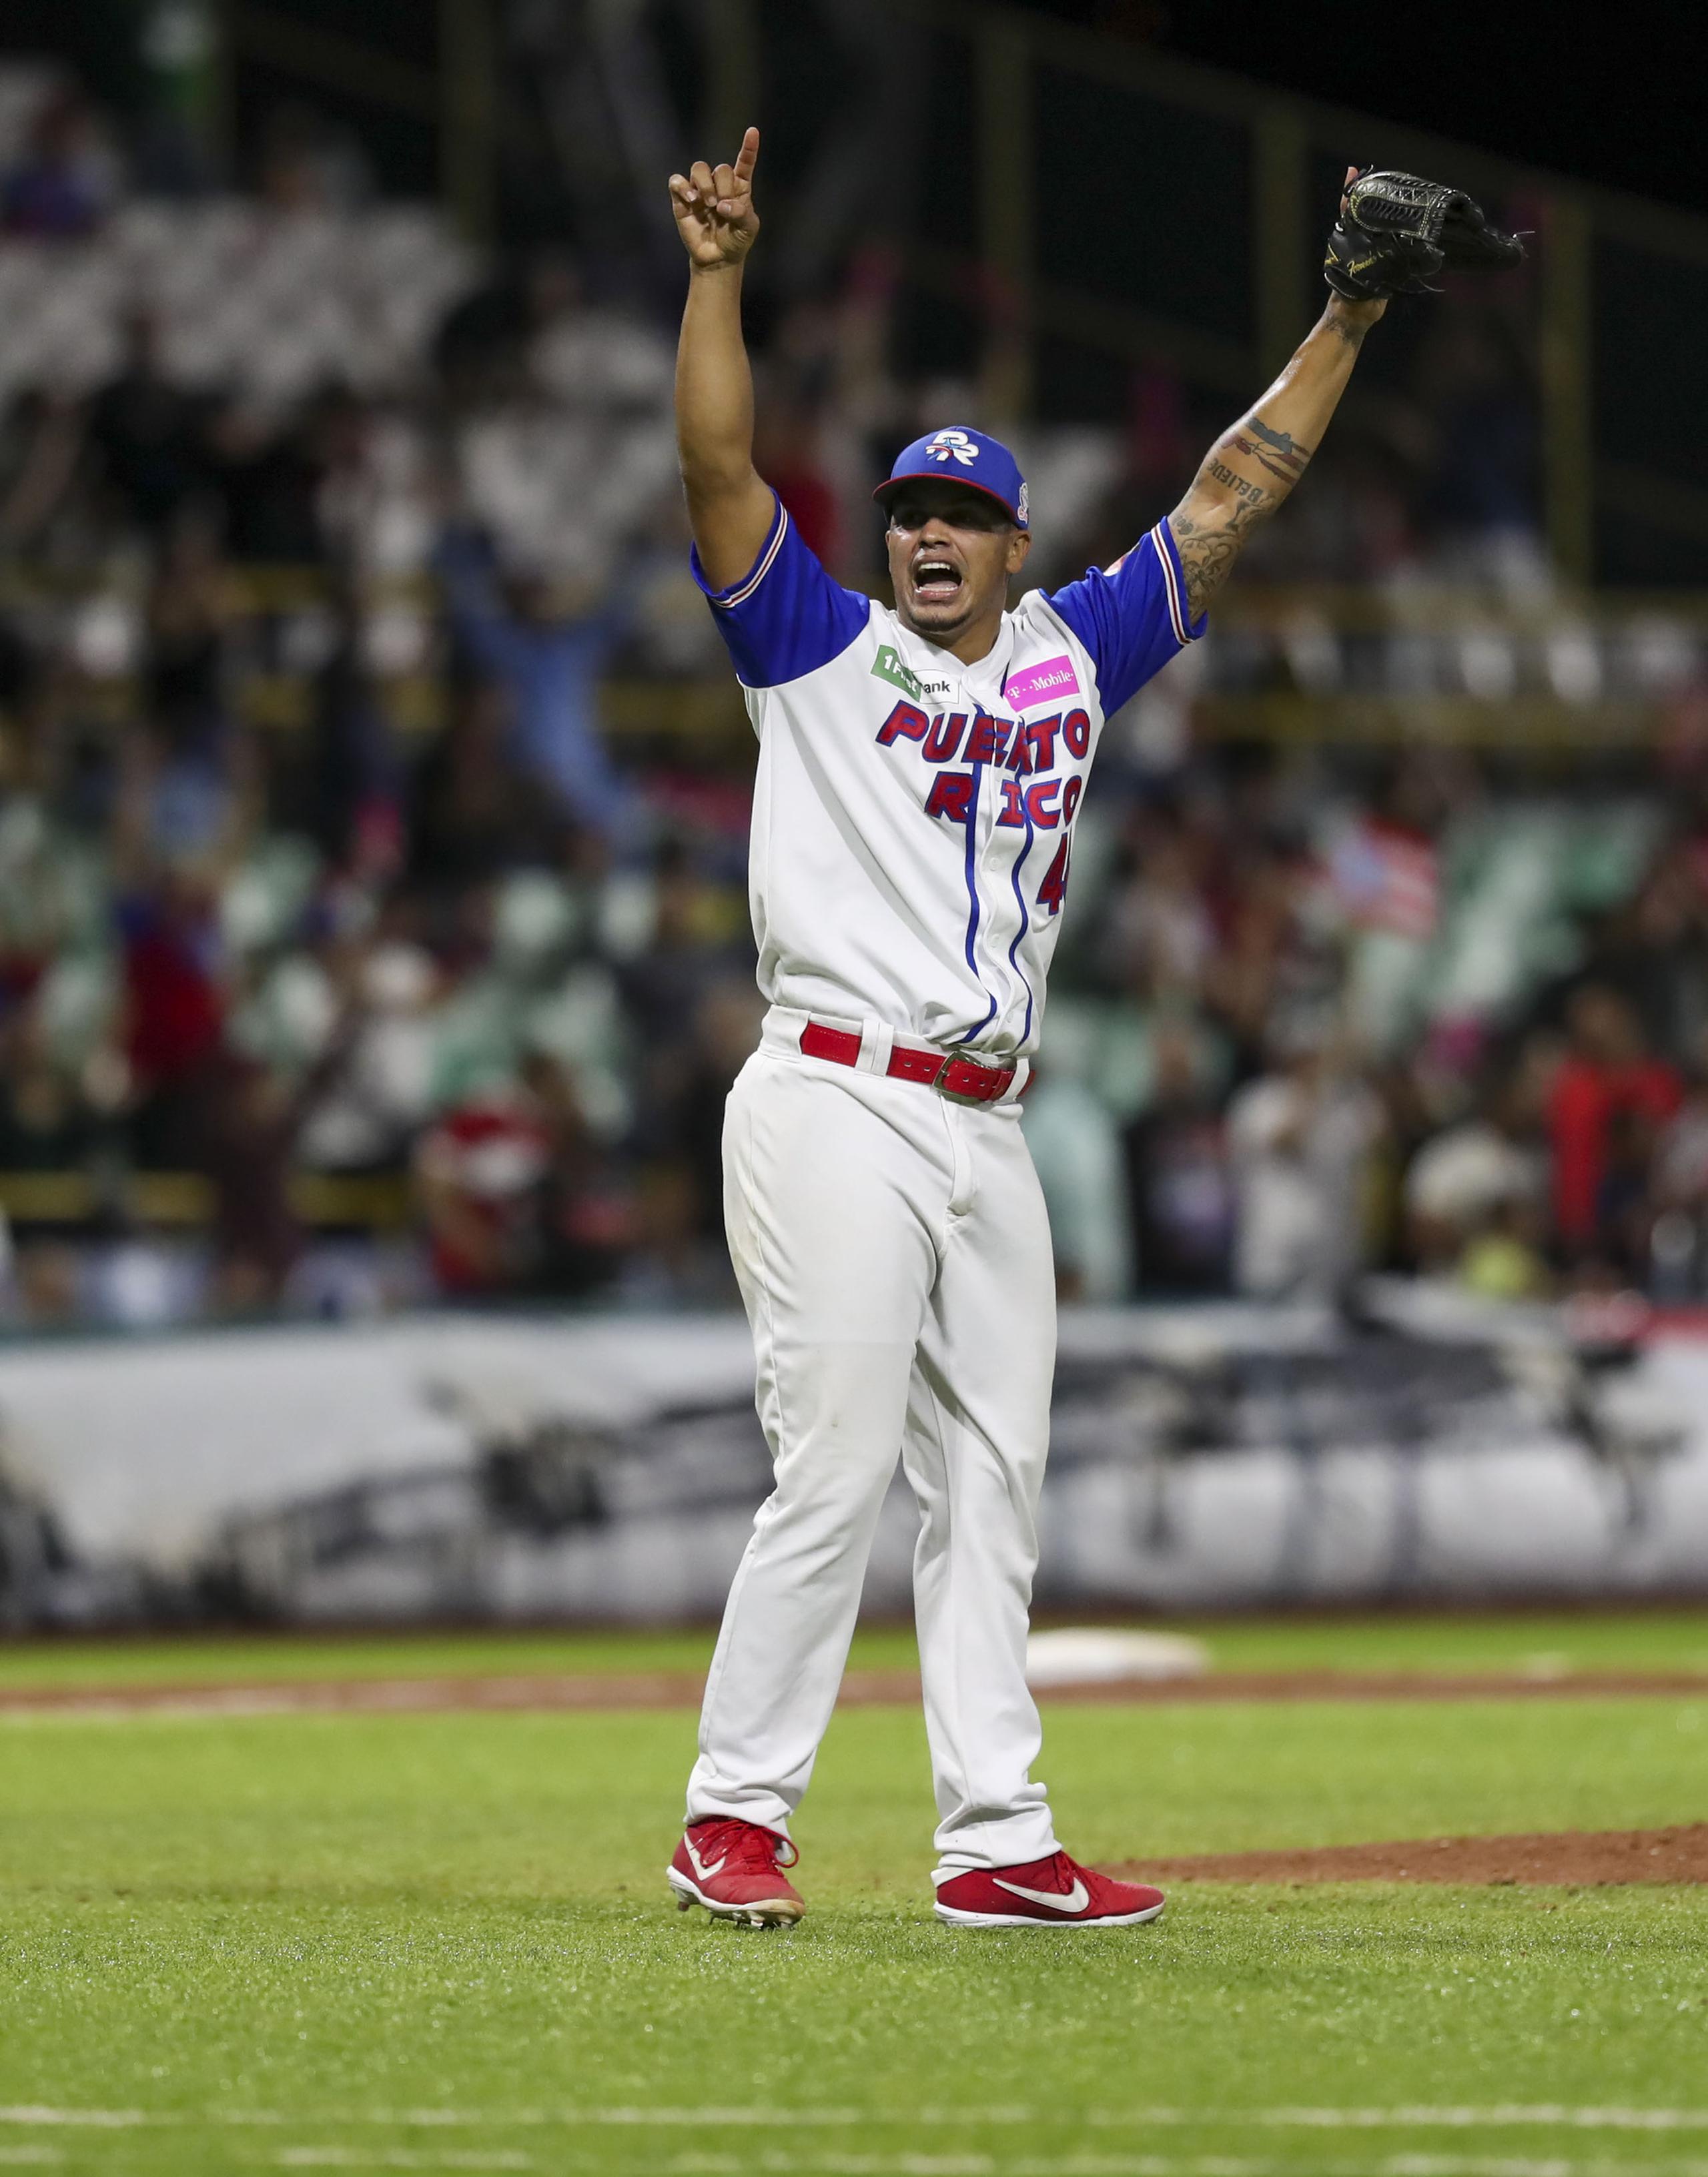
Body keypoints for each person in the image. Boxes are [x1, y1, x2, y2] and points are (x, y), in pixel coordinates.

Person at [662, 131, 1467, 1931]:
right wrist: (719, 276)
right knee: (844, 1459)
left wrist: (1346, 310)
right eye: (906, 514)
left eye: (959, 518)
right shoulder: (813, 647)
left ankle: (996, 1842)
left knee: (997, 1483)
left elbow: (1233, 496)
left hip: (988, 1126)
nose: (926, 536)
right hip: (835, 1093)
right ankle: (737, 1812)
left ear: (1016, 548)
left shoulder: (1072, 659)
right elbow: (717, 464)